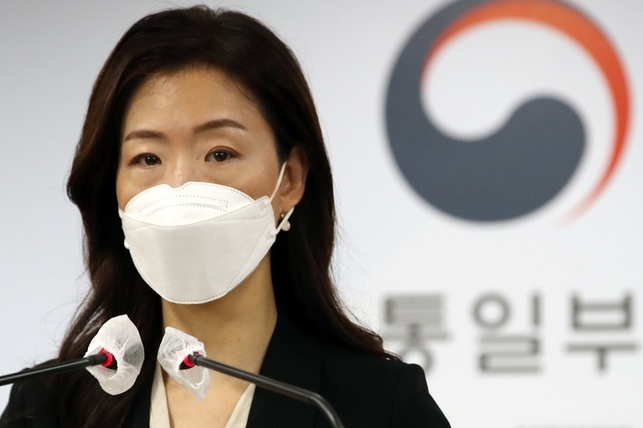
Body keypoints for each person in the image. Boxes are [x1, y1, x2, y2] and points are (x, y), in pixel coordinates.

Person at [0, 6, 450, 428]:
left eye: (219, 153)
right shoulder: (45, 406)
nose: (180, 186)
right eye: (148, 158)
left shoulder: (376, 405)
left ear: (290, 179)